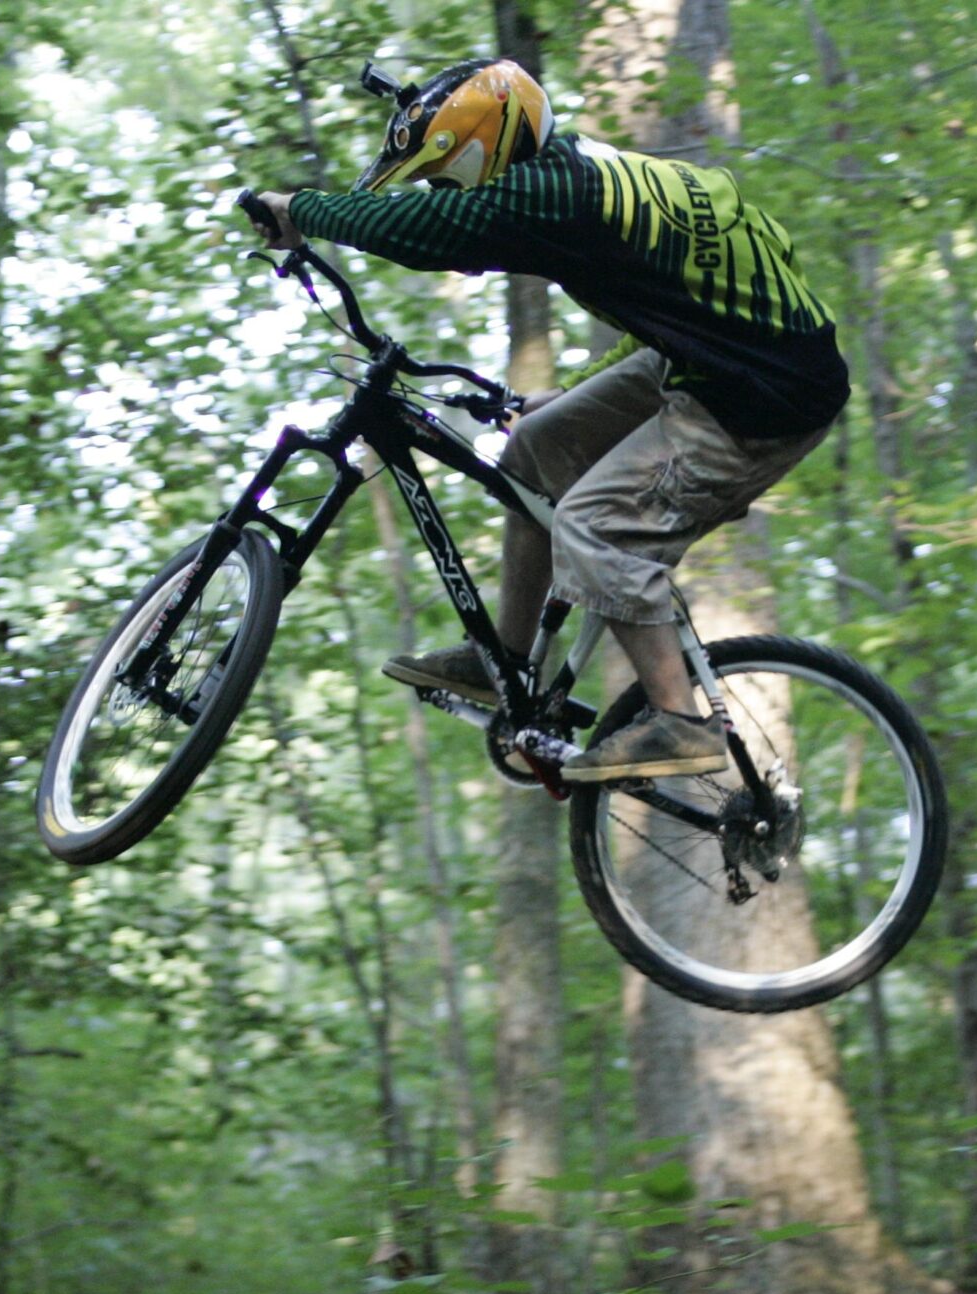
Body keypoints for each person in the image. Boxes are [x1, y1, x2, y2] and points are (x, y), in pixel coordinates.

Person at [253, 57, 849, 782]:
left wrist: (303, 209)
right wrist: (573, 394)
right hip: (735, 352)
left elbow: (429, 231)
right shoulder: (588, 170)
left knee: (597, 524)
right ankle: (499, 657)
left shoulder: (551, 193)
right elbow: (670, 302)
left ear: (485, 143)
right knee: (534, 444)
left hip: (764, 392)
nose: (449, 192)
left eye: (447, 175)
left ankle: (681, 722)